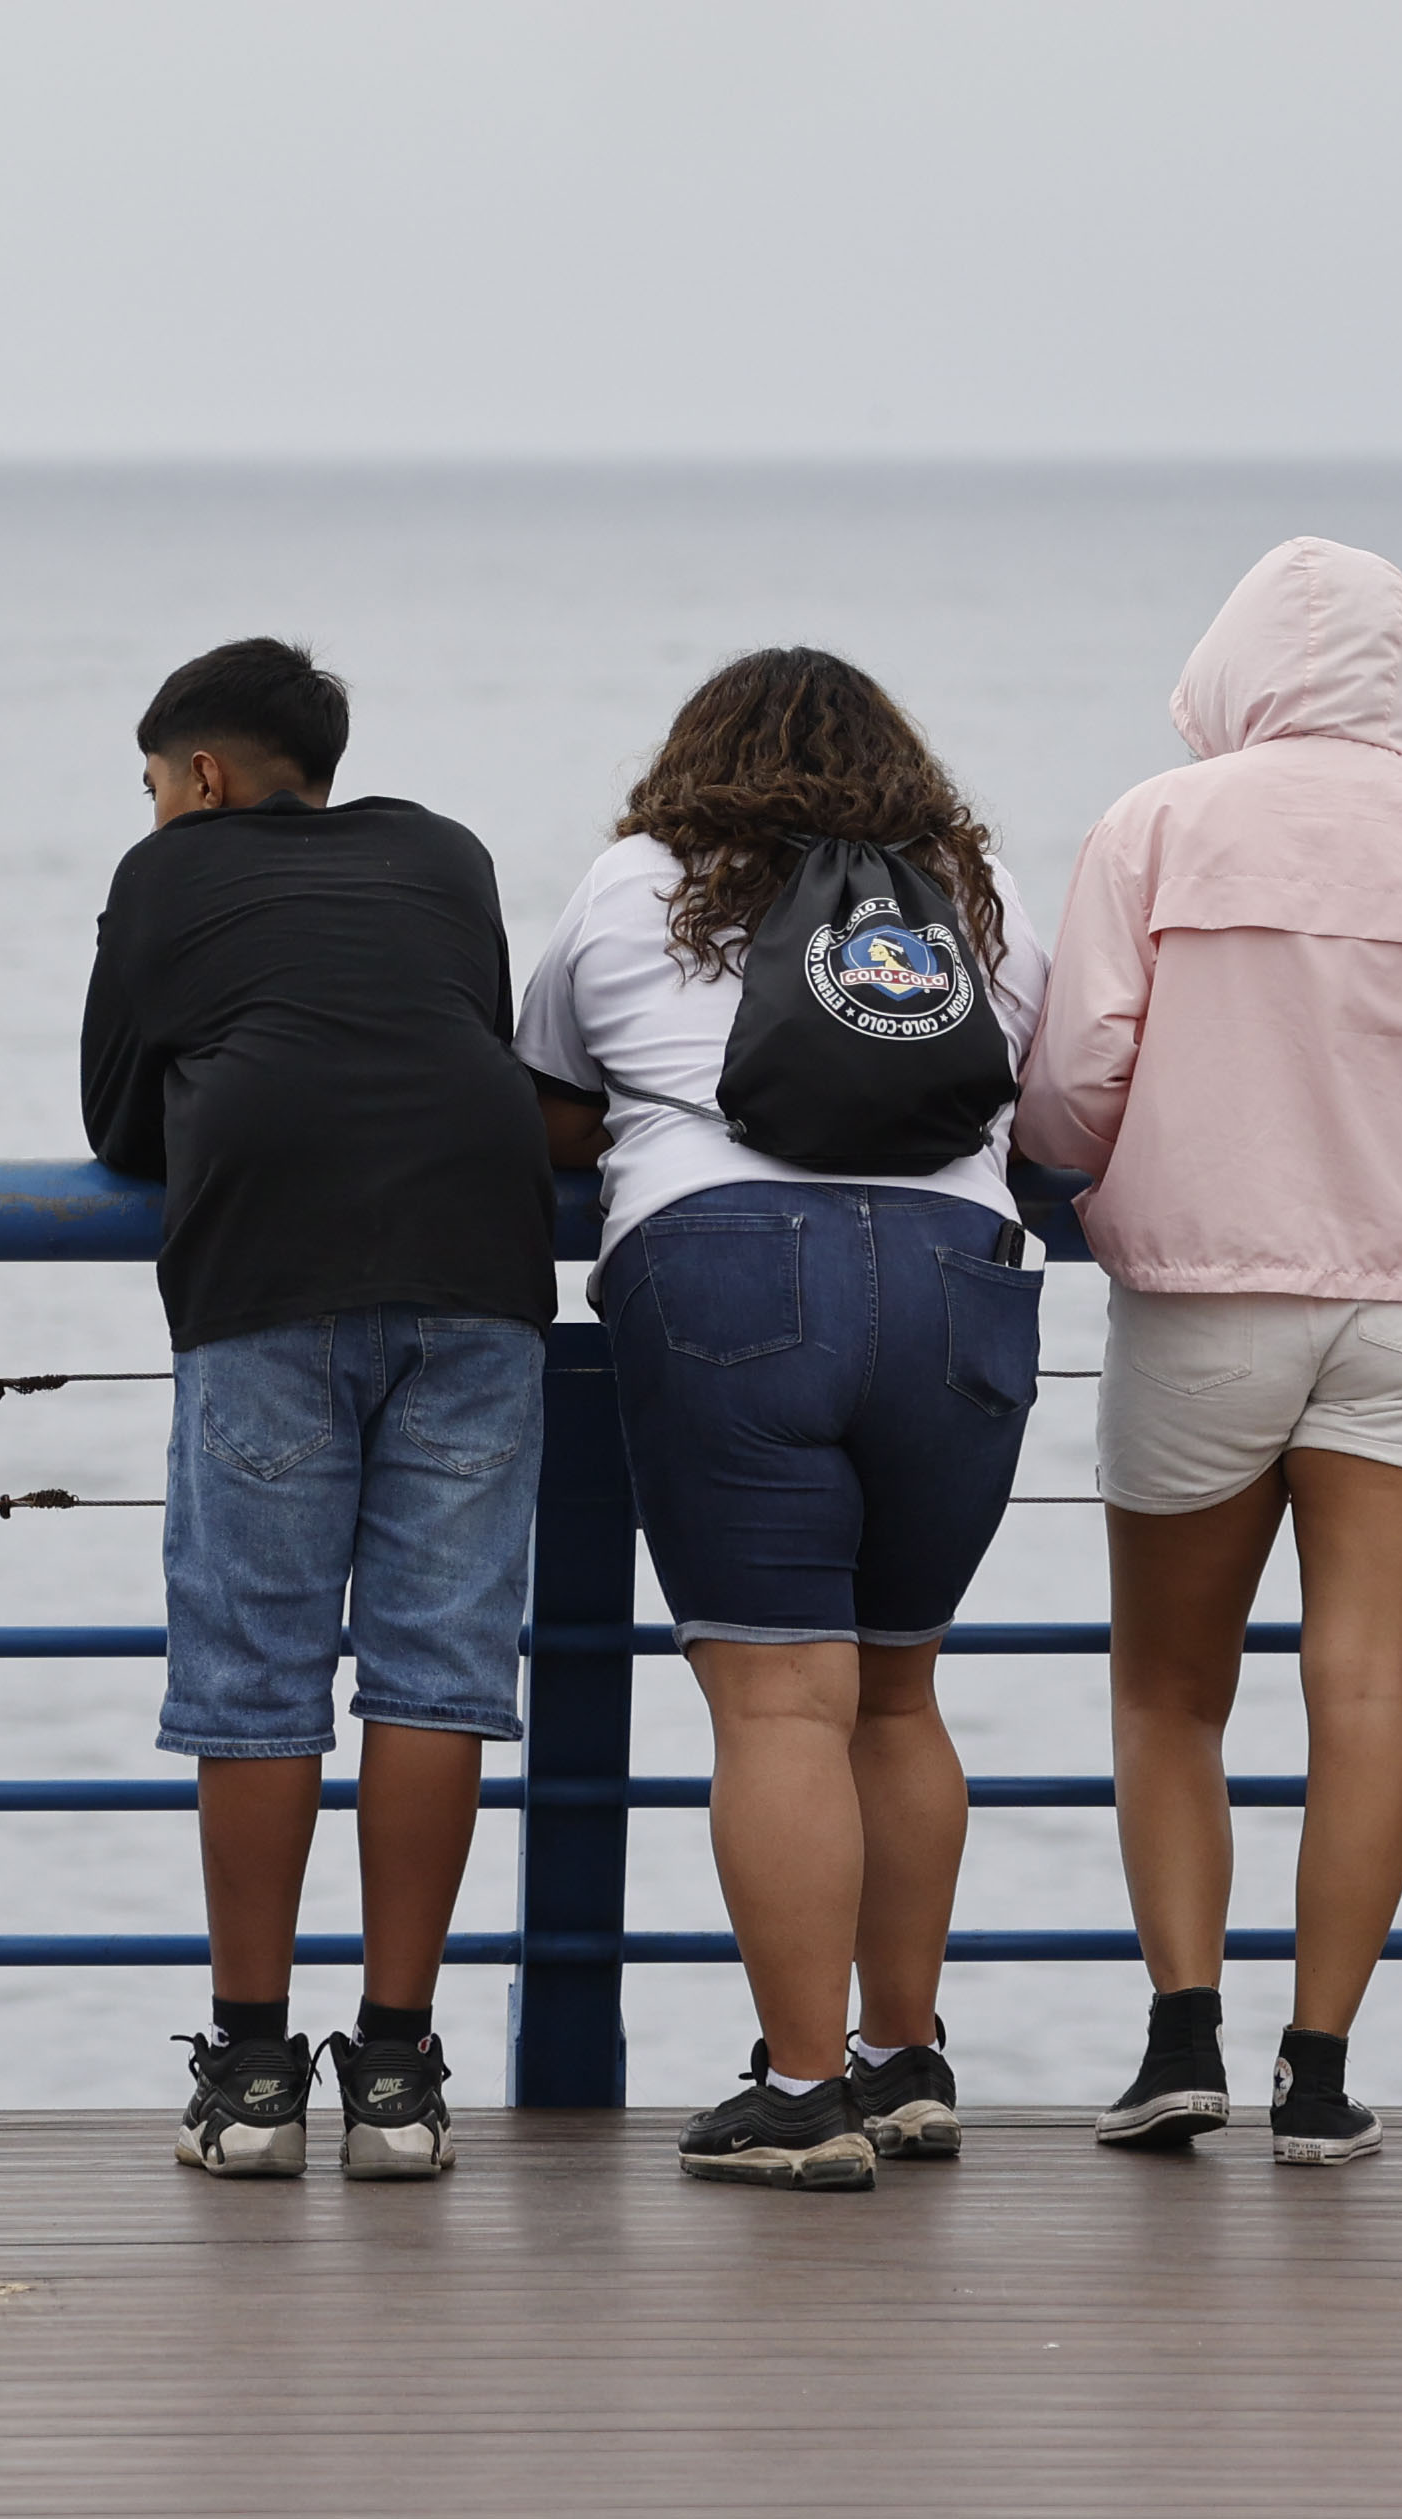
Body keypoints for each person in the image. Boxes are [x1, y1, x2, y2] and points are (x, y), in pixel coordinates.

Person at [1016, 539, 1402, 2167]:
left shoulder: (1158, 823)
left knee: (1168, 1691)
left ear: (1236, 662)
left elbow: (1069, 1085)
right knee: (1366, 1692)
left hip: (1203, 1302)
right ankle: (1321, 2071)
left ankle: (1178, 2037)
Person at [516, 647, 1051, 2191]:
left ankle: (801, 2090)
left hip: (727, 1271)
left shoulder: (637, 880)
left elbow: (552, 1084)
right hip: (957, 1280)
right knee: (897, 1697)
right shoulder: (976, 888)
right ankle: (901, 2057)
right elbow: (1047, 1096)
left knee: (773, 1709)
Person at [82, 639, 553, 2181]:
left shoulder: (164, 879)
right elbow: (466, 1025)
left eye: (154, 783)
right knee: (433, 1675)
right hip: (478, 1265)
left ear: (200, 776)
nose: (154, 808)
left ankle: (252, 2070)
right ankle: (402, 2079)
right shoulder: (443, 853)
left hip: (269, 1280)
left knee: (255, 1678)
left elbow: (111, 1117)